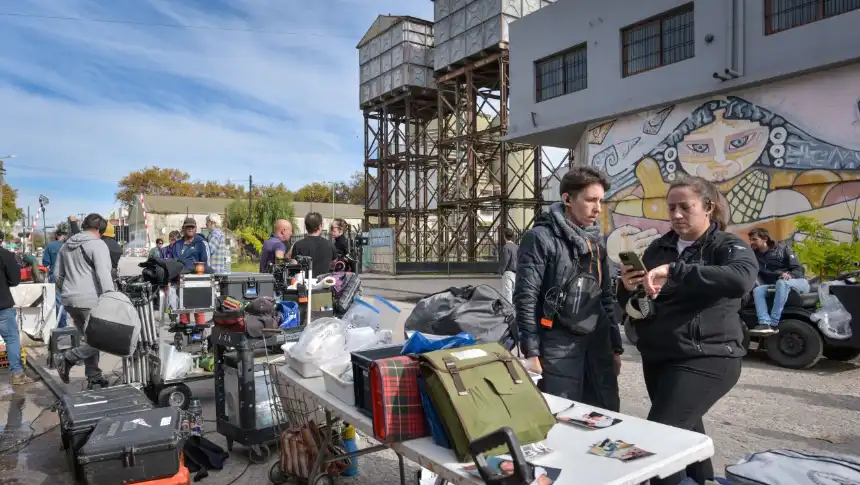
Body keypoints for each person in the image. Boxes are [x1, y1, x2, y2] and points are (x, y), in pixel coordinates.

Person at [618, 176, 757, 485]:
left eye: (685, 207)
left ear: (708, 207)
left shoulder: (727, 245)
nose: (676, 214)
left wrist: (676, 270)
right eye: (671, 208)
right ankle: (702, 480)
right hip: (659, 357)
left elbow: (740, 280)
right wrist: (627, 288)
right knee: (686, 436)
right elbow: (635, 301)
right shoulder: (660, 246)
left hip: (707, 358)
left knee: (659, 442)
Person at [515, 167, 623, 412]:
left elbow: (606, 298)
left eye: (600, 201)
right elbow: (526, 297)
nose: (597, 208)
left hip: (598, 344)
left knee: (604, 416)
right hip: (557, 344)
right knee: (562, 415)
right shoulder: (541, 238)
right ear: (567, 199)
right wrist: (531, 351)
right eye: (590, 200)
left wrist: (615, 347)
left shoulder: (595, 242)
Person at [52, 214, 116, 390]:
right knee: (104, 339)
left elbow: (57, 275)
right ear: (99, 230)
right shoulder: (97, 244)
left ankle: (94, 376)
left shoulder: (66, 245)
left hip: (70, 300)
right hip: (90, 299)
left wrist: (69, 290)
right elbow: (104, 274)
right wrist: (111, 298)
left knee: (88, 339)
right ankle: (67, 358)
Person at [748, 227, 809, 336]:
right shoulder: (754, 255)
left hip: (798, 281)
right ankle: (764, 323)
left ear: (765, 239)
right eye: (751, 240)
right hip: (777, 284)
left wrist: (789, 275)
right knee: (758, 290)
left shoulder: (783, 249)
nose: (751, 242)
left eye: (754, 239)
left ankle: (774, 323)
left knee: (782, 283)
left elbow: (799, 269)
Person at [0, 231, 32, 391]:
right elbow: (15, 280)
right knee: (11, 339)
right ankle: (17, 375)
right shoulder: (5, 255)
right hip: (2, 304)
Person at [170, 217, 210, 325]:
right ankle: (184, 337)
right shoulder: (177, 244)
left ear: (196, 228)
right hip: (180, 282)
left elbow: (206, 263)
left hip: (196, 282)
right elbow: (172, 261)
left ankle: (201, 336)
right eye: (188, 226)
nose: (190, 228)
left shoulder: (201, 243)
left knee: (198, 310)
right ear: (183, 228)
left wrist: (190, 268)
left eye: (192, 226)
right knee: (183, 310)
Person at [289, 212, 336, 277]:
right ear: (320, 226)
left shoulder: (298, 245)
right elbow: (334, 266)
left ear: (306, 227)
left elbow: (293, 269)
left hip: (304, 285)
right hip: (324, 283)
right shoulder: (330, 245)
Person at [43, 224, 69, 329]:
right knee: (69, 301)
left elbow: (45, 263)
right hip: (70, 276)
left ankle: (61, 325)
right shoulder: (70, 244)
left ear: (57, 235)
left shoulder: (50, 246)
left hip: (55, 276)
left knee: (58, 301)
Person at [499, 228, 518, 304]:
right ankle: (514, 309)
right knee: (514, 292)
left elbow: (505, 261)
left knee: (508, 293)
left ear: (504, 236)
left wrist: (501, 271)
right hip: (516, 272)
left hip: (508, 272)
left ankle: (509, 310)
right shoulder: (516, 247)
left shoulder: (506, 247)